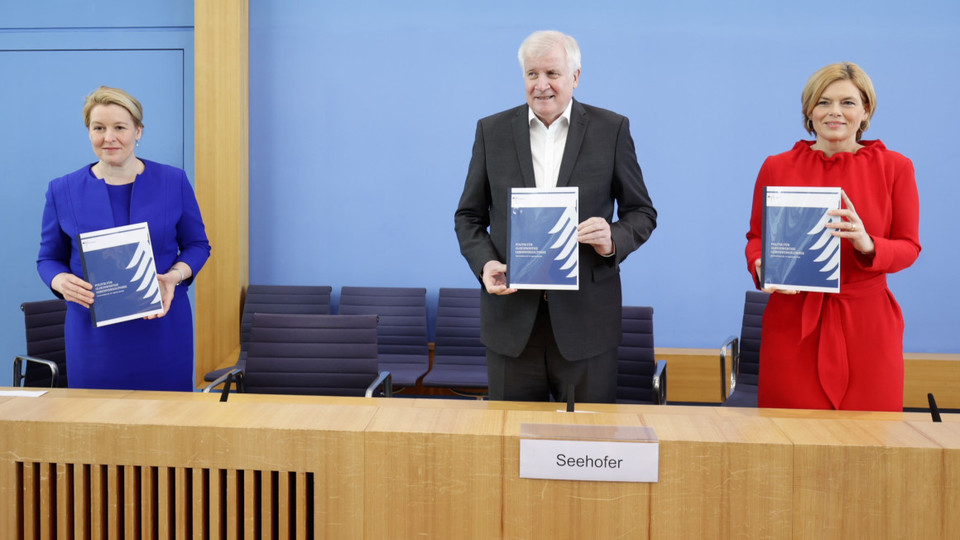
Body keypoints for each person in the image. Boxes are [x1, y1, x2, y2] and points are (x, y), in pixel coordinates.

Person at [454, 30, 657, 403]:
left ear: (575, 77)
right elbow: (468, 215)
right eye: (532, 74)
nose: (541, 85)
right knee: (508, 447)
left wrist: (612, 239)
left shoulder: (611, 130)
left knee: (589, 446)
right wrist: (484, 264)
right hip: (511, 325)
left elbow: (642, 212)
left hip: (586, 325)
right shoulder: (491, 131)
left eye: (552, 73)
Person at [745, 62, 920, 411]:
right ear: (809, 111)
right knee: (790, 439)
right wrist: (763, 267)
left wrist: (867, 243)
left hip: (867, 326)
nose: (834, 112)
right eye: (823, 102)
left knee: (871, 441)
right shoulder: (776, 166)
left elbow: (909, 247)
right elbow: (756, 238)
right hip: (792, 322)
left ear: (866, 110)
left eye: (848, 102)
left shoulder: (896, 167)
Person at [37, 86, 211, 391]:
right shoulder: (62, 190)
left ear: (138, 131)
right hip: (93, 336)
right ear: (88, 132)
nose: (109, 137)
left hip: (163, 327)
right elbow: (48, 258)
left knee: (168, 423)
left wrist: (174, 276)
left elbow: (198, 245)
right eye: (99, 128)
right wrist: (59, 281)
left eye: (120, 127)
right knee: (95, 424)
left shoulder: (173, 181)